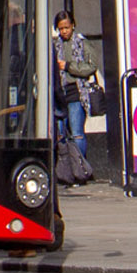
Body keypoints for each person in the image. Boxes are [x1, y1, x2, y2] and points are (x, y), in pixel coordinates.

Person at [51, 11, 99, 162]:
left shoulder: (81, 42)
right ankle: (66, 168)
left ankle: (81, 167)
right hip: (60, 93)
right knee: (61, 134)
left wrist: (68, 66)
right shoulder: (55, 45)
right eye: (61, 28)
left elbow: (91, 66)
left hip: (76, 92)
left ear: (73, 25)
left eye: (66, 27)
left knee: (77, 132)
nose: (64, 31)